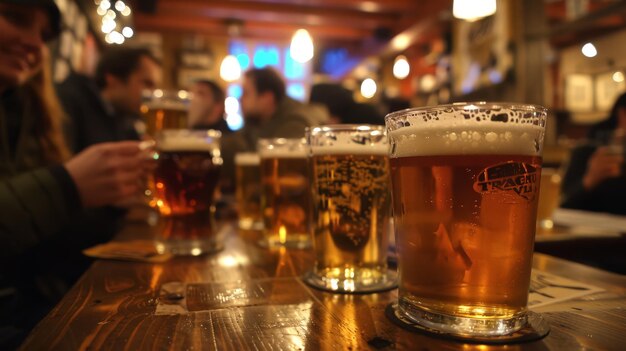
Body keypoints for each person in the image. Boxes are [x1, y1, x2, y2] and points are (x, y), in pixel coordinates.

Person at [0, 1, 150, 347]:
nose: (36, 44)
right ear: (114, 79)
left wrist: (111, 198)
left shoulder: (27, 108)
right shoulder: (71, 103)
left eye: (43, 35)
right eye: (15, 18)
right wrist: (68, 188)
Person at [221, 68, 322, 191]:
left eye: (246, 93)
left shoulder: (296, 123)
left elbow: (277, 174)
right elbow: (236, 144)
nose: (240, 99)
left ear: (267, 98)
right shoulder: (256, 122)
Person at [56, 47, 161, 153]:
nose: (152, 94)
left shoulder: (124, 119)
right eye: (147, 84)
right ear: (112, 80)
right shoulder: (69, 101)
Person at [561, 92, 626, 215]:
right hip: (587, 231)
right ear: (622, 114)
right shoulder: (586, 151)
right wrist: (590, 179)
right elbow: (562, 206)